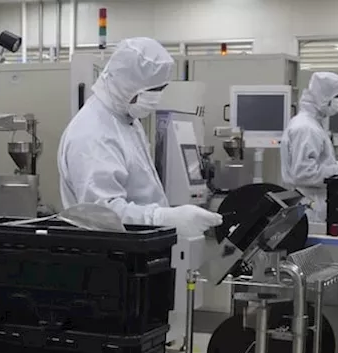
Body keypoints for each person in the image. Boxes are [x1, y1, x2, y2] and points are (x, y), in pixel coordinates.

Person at [58, 38, 222, 235]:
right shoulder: (92, 134)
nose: (157, 97)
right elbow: (103, 215)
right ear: (126, 85)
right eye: (154, 91)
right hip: (112, 255)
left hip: (138, 247)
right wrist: (161, 218)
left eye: (162, 89)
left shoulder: (127, 119)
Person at [281, 71, 338, 224]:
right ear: (324, 97)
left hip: (312, 204)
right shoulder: (306, 128)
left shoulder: (312, 124)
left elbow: (320, 166)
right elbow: (304, 174)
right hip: (309, 209)